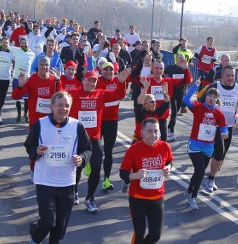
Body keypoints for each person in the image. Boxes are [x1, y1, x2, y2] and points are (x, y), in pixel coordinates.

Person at [24, 91, 92, 244]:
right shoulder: (41, 124)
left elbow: (88, 149)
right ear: (52, 106)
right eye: (60, 105)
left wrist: (82, 159)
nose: (64, 108)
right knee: (48, 221)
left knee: (60, 226)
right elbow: (29, 145)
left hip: (67, 182)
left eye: (67, 105)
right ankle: (36, 236)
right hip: (45, 180)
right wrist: (36, 151)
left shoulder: (77, 126)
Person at [65, 70, 127, 212]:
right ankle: (74, 191)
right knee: (77, 168)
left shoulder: (100, 94)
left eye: (94, 81)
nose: (91, 83)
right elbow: (58, 98)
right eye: (89, 80)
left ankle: (90, 198)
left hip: (93, 139)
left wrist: (122, 83)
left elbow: (119, 94)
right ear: (83, 80)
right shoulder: (73, 94)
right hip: (77, 139)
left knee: (96, 168)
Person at [119, 118, 173, 244]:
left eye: (156, 131)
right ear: (142, 133)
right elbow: (123, 173)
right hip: (137, 198)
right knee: (140, 231)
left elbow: (169, 161)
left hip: (157, 197)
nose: (153, 134)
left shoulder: (165, 147)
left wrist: (168, 168)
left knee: (156, 234)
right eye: (149, 131)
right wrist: (135, 176)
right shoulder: (134, 149)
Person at [198, 65, 238, 193]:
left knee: (221, 154)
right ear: (222, 75)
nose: (230, 78)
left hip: (228, 127)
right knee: (214, 152)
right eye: (228, 75)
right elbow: (201, 103)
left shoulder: (237, 88)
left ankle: (210, 176)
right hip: (211, 125)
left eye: (232, 76)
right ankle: (209, 178)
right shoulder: (214, 86)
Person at [182, 80, 228, 210]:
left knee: (198, 172)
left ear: (217, 100)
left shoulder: (218, 114)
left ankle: (190, 189)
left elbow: (223, 127)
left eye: (214, 97)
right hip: (195, 145)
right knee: (201, 171)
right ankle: (194, 197)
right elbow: (186, 100)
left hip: (208, 147)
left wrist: (224, 133)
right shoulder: (198, 107)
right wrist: (195, 86)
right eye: (209, 95)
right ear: (205, 96)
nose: (211, 98)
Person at [95, 63, 132, 191]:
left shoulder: (118, 80)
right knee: (96, 150)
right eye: (106, 69)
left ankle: (106, 179)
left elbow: (121, 95)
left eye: (111, 69)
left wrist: (122, 83)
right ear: (101, 70)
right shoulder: (97, 81)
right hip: (98, 120)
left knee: (109, 151)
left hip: (112, 121)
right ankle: (90, 165)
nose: (109, 71)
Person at [136, 57, 192, 141]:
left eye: (161, 68)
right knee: (146, 140)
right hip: (149, 116)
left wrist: (185, 69)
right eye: (156, 68)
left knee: (163, 141)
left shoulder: (169, 81)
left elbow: (187, 81)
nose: (158, 71)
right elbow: (133, 77)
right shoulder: (147, 81)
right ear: (152, 68)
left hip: (162, 116)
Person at [164, 53, 190, 142]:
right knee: (174, 113)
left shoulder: (185, 70)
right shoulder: (171, 68)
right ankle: (170, 130)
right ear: (176, 59)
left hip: (180, 93)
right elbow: (164, 76)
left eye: (182, 58)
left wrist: (186, 69)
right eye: (179, 58)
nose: (181, 60)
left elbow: (188, 80)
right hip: (172, 93)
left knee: (176, 112)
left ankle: (169, 128)